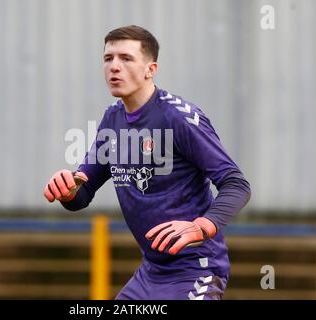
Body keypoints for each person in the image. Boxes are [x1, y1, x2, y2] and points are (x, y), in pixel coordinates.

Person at [44, 25, 251, 300]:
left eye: (126, 58)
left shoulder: (178, 118)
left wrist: (202, 225)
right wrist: (67, 188)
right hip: (151, 273)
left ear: (150, 69)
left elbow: (237, 185)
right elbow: (83, 191)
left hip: (197, 269)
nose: (114, 67)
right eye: (108, 58)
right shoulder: (112, 120)